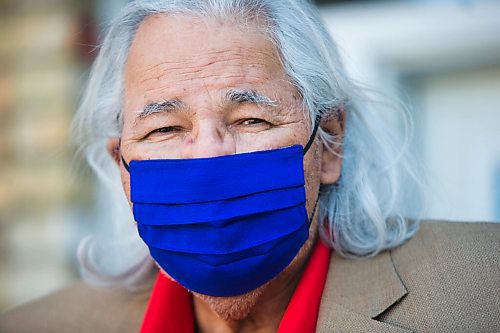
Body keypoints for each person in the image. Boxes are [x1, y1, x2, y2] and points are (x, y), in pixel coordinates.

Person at [1, 1, 498, 332]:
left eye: (251, 118)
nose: (209, 155)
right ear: (123, 169)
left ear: (331, 144)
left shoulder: (484, 287)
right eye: (165, 130)